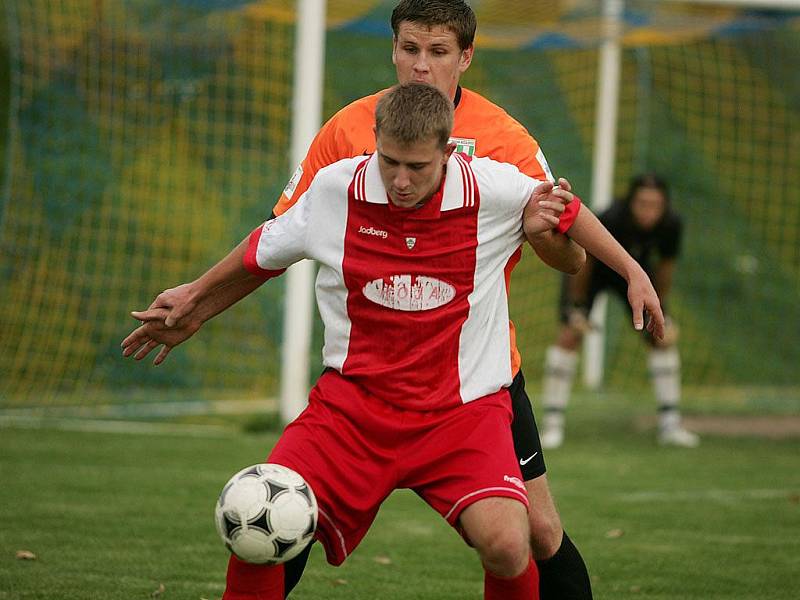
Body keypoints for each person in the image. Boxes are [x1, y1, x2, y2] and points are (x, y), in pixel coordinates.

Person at [122, 83, 665, 599]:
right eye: (389, 163)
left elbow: (567, 211)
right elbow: (260, 252)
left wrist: (632, 271)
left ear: (449, 152)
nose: (400, 180)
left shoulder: (493, 188)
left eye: (417, 167)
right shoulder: (336, 188)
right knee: (261, 517)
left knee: (508, 540)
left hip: (462, 413)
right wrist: (195, 301)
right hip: (352, 410)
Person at [540, 173, 699, 449]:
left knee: (660, 334)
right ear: (630, 202)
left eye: (655, 205)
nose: (648, 211)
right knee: (569, 334)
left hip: (635, 276)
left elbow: (665, 268)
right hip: (592, 270)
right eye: (642, 203)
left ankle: (670, 424)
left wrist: (663, 307)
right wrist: (576, 306)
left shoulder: (671, 225)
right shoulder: (612, 217)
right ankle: (552, 425)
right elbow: (584, 256)